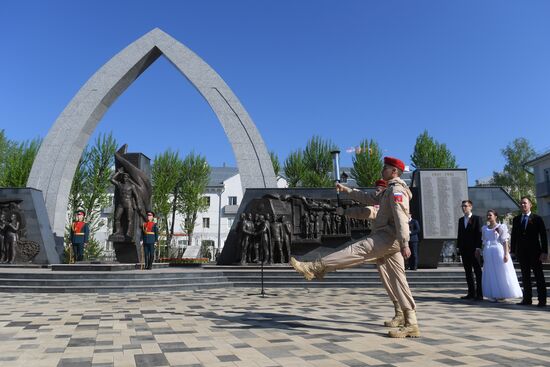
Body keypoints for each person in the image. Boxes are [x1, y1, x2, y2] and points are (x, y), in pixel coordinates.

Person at [290, 157, 420, 338]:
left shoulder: (397, 191)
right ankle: (411, 322)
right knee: (399, 280)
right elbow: (366, 199)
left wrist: (405, 242)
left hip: (388, 237)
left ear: (394, 172)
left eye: (386, 168)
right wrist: (347, 190)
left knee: (356, 250)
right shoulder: (387, 191)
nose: (382, 170)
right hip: (390, 239)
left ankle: (314, 267)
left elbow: (401, 217)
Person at [511, 197, 548, 307]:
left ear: (530, 205)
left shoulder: (537, 218)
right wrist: (513, 251)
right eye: (521, 203)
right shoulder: (516, 219)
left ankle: (542, 300)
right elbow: (514, 236)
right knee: (525, 276)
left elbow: (543, 236)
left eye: (525, 203)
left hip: (535, 252)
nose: (523, 205)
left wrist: (544, 251)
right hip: (522, 252)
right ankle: (527, 299)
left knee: (538, 276)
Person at [478, 209, 522, 301]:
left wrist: (506, 254)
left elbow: (505, 241)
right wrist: (482, 252)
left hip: (498, 250)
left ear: (495, 216)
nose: (488, 217)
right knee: (491, 272)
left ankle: (502, 293)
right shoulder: (484, 228)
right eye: (488, 215)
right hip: (488, 251)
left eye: (490, 215)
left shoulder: (501, 227)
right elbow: (484, 241)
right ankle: (493, 293)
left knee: (500, 271)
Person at [456, 200, 483, 300]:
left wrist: (478, 248)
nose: (464, 208)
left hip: (474, 249)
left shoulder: (477, 219)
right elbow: (460, 234)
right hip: (464, 249)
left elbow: (479, 234)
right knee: (468, 272)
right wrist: (458, 247)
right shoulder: (461, 220)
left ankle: (479, 294)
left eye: (466, 206)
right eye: (462, 206)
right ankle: (471, 292)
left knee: (477, 271)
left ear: (471, 207)